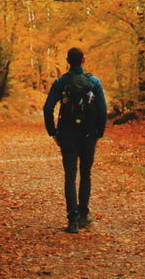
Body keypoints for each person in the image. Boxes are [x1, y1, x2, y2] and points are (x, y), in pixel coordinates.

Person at [43, 46, 107, 233]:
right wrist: (99, 133)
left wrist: (53, 132)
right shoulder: (94, 82)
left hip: (67, 135)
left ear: (67, 61)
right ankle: (84, 215)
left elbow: (47, 108)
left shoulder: (61, 82)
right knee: (86, 173)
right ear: (83, 60)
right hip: (88, 135)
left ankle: (72, 220)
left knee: (70, 176)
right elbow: (103, 110)